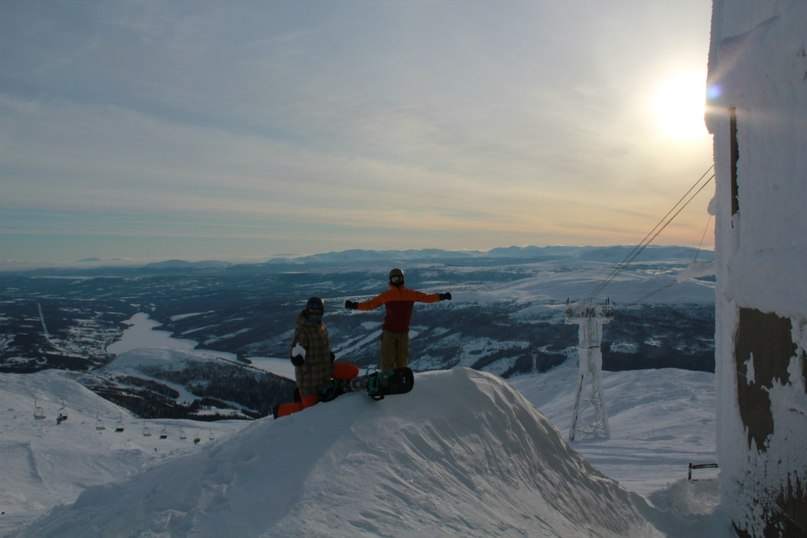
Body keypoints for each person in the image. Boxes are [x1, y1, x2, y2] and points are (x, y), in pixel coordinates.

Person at [345, 268, 451, 371]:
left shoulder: (410, 294)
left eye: (399, 279)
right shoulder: (387, 295)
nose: (397, 281)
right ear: (390, 280)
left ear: (403, 279)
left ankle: (399, 382)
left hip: (403, 333)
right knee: (388, 359)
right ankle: (386, 381)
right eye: (395, 279)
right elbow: (370, 305)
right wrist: (354, 305)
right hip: (389, 332)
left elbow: (427, 298)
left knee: (402, 360)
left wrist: (442, 296)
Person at [273, 297, 359, 418]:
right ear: (307, 310)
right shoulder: (302, 330)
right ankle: (280, 411)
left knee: (352, 371)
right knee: (309, 412)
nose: (314, 314)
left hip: (325, 370)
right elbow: (296, 350)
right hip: (310, 380)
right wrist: (296, 357)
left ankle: (336, 389)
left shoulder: (322, 327)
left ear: (322, 312)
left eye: (318, 311)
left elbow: (319, 346)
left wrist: (328, 355)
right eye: (311, 311)